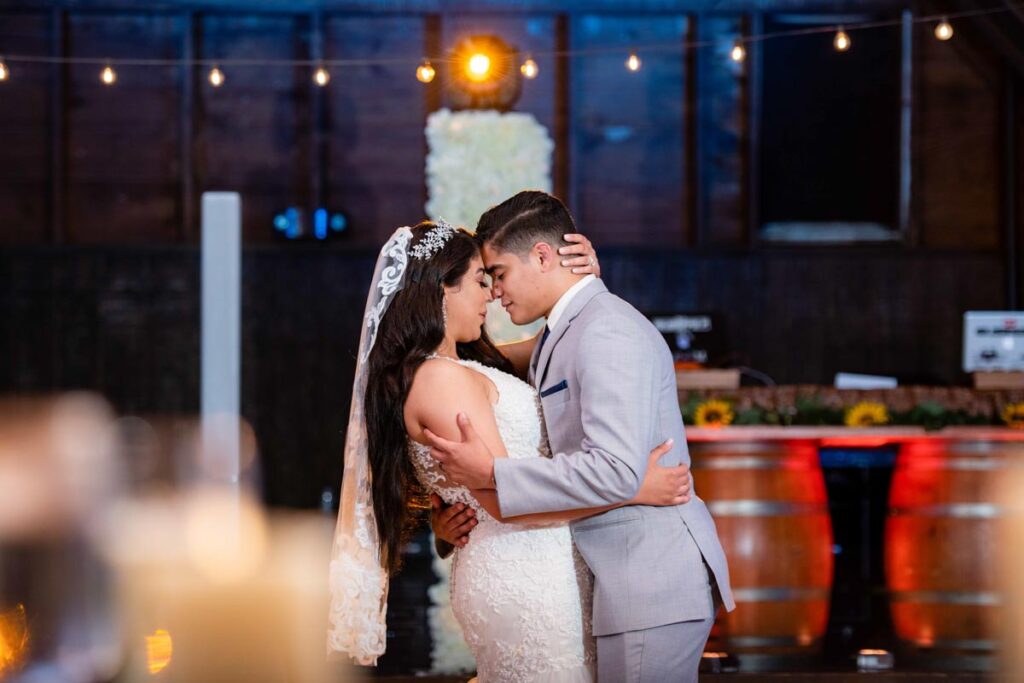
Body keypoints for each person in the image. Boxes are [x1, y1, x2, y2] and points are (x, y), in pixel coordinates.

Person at [328, 220, 690, 683]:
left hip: (533, 564)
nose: (491, 295)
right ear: (442, 289)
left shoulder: (461, 367)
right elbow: (507, 506)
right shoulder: (440, 380)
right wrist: (633, 489)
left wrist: (580, 281)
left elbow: (568, 334)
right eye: (481, 280)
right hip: (524, 572)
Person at [425, 191, 736, 683]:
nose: (496, 292)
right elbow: (474, 366)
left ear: (544, 257)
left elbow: (614, 469)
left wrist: (491, 475)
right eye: (484, 280)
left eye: (499, 274)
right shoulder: (564, 331)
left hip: (645, 582)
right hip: (615, 580)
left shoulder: (605, 331)